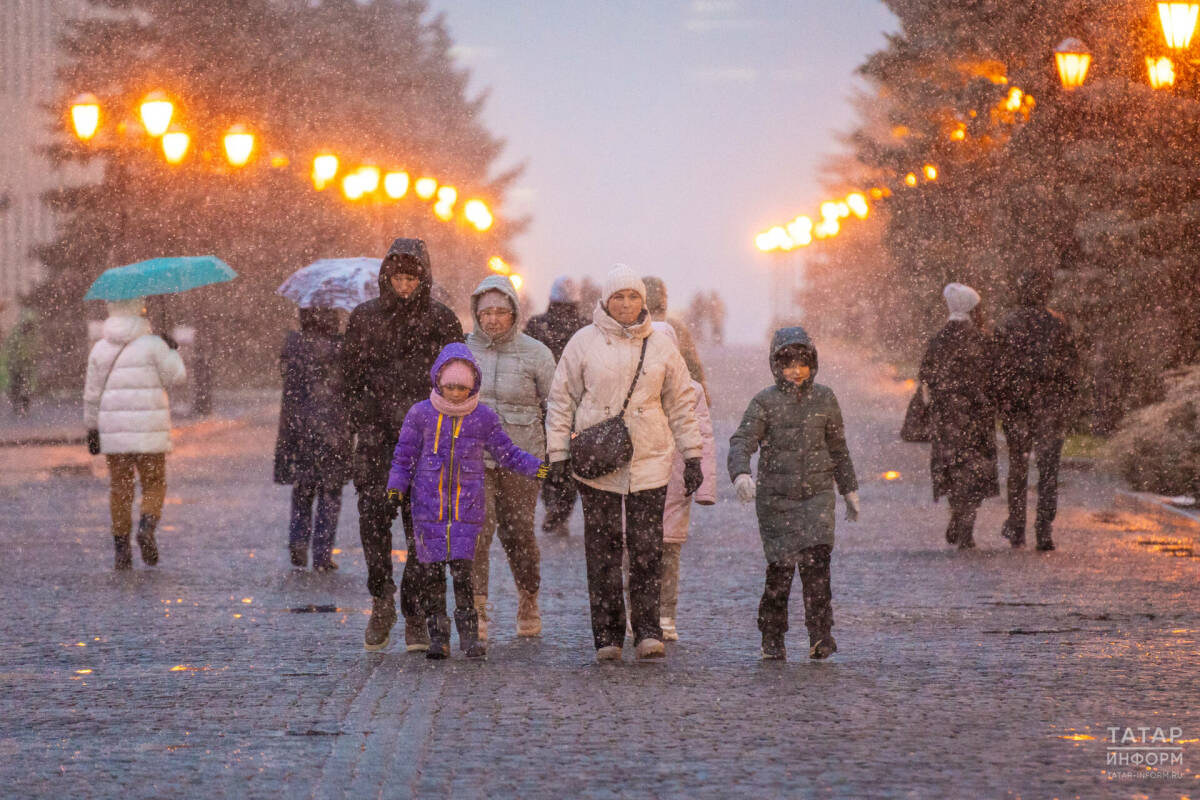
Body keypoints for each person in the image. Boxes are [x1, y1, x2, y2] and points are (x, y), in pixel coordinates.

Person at [545, 264, 703, 662]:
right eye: (619, 297)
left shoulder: (662, 344)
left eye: (634, 297)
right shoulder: (583, 342)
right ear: (606, 301)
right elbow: (561, 399)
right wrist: (558, 454)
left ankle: (648, 631)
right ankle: (608, 635)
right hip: (598, 462)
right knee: (602, 550)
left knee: (648, 548)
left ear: (643, 302)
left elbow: (681, 401)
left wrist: (693, 453)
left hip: (650, 459)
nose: (627, 304)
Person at [386, 343, 548, 659]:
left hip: (467, 510)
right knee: (433, 578)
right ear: (438, 382)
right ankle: (439, 637)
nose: (456, 394)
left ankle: (470, 636)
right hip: (428, 511)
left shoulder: (482, 418)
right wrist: (396, 487)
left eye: (462, 387)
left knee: (464, 576)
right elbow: (403, 456)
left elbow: (506, 452)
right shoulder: (420, 414)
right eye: (450, 387)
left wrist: (535, 467)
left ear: (472, 385)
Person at [342, 238, 464, 652]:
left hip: (426, 444)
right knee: (374, 526)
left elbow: (459, 381)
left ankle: (414, 610)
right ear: (386, 277)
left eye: (412, 277)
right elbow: (348, 381)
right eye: (398, 277)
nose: (404, 285)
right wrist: (365, 417)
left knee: (423, 534)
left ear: (423, 277)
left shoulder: (442, 320)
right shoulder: (364, 319)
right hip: (376, 443)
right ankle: (381, 599)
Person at [728, 326, 859, 661]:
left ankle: (820, 635)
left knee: (817, 568)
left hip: (817, 497)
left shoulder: (826, 399)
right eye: (788, 364)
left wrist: (849, 489)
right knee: (781, 572)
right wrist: (741, 473)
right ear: (776, 366)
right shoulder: (765, 402)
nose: (796, 371)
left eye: (802, 363)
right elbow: (743, 440)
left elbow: (838, 448)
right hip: (777, 501)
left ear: (812, 363)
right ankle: (772, 637)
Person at [467, 275, 556, 640]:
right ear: (476, 313)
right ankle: (477, 608)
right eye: (485, 312)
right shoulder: (461, 351)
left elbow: (557, 404)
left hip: (522, 457)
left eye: (500, 311)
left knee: (519, 533)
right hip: (473, 458)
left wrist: (558, 453)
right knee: (476, 533)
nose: (492, 319)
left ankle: (528, 597)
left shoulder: (536, 353)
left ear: (514, 313)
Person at [83, 297, 186, 570]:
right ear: (140, 310)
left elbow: (91, 395)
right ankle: (147, 526)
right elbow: (177, 377)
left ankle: (121, 550)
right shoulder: (153, 345)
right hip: (149, 432)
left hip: (114, 434)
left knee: (120, 489)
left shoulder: (100, 349)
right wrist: (171, 348)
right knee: (154, 483)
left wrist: (92, 428)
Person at [993, 271, 1082, 551]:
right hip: (1050, 406)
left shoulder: (1008, 324)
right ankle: (1044, 530)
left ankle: (1017, 527)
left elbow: (997, 368)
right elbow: (1072, 366)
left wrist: (1002, 400)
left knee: (1018, 468)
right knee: (1048, 470)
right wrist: (1066, 398)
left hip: (1017, 407)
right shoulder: (1058, 324)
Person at [918, 282, 999, 550]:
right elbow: (995, 377)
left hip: (946, 418)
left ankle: (956, 512)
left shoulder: (938, 339)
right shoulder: (982, 339)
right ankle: (966, 523)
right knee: (974, 471)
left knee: (951, 468)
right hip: (976, 415)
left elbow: (926, 375)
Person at [649, 321, 716, 641]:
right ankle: (639, 612)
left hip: (677, 483)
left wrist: (704, 487)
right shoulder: (631, 390)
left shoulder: (693, 391)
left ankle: (665, 615)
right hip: (638, 482)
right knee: (632, 553)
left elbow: (703, 437)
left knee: (669, 552)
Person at [274, 307, 351, 571]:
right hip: (334, 430)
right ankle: (321, 553)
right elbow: (351, 388)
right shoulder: (342, 349)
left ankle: (298, 540)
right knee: (330, 494)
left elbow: (290, 390)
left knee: (303, 489)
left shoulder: (295, 347)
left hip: (300, 429)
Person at [524, 276, 589, 536]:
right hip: (575, 405)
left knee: (549, 459)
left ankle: (553, 505)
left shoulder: (537, 325)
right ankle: (561, 509)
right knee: (572, 460)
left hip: (543, 403)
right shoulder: (585, 328)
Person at [643, 276, 708, 402]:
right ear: (662, 298)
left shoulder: (631, 325)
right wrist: (702, 392)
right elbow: (691, 363)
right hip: (674, 397)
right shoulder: (675, 327)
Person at [3, 308, 38, 416]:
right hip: (18, 366)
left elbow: (35, 349)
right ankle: (18, 406)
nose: (28, 326)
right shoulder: (18, 334)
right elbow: (11, 349)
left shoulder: (32, 335)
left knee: (24, 388)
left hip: (25, 367)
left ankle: (23, 407)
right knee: (16, 387)